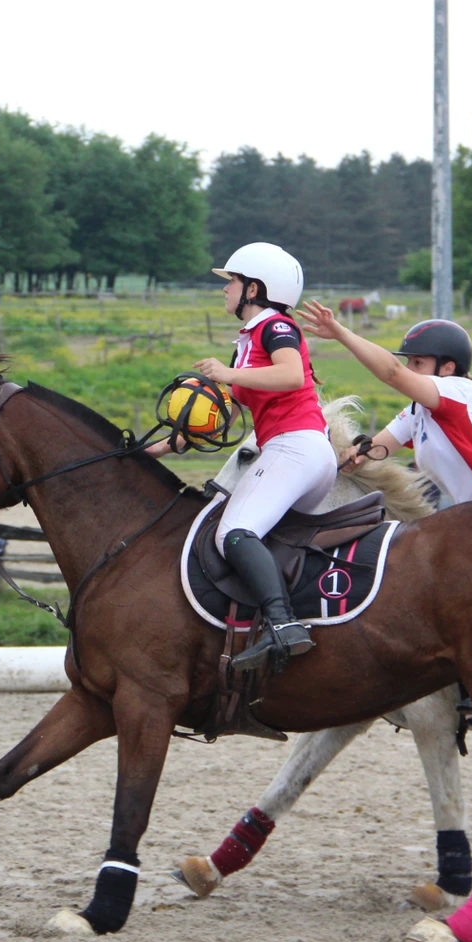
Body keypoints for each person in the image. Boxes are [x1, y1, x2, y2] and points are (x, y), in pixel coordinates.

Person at [148, 242, 337, 670]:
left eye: (231, 281)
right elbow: (222, 421)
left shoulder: (276, 326)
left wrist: (228, 373)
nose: (225, 289)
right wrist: (158, 449)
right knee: (260, 538)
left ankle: (283, 626)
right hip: (303, 454)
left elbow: (292, 374)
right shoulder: (248, 343)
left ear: (254, 289)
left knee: (233, 531)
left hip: (295, 449)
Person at [297, 304, 472, 514]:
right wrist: (355, 455)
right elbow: (375, 449)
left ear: (448, 368)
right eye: (409, 362)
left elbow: (392, 373)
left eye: (418, 363)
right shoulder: (417, 411)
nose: (409, 369)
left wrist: (341, 333)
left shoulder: (456, 390)